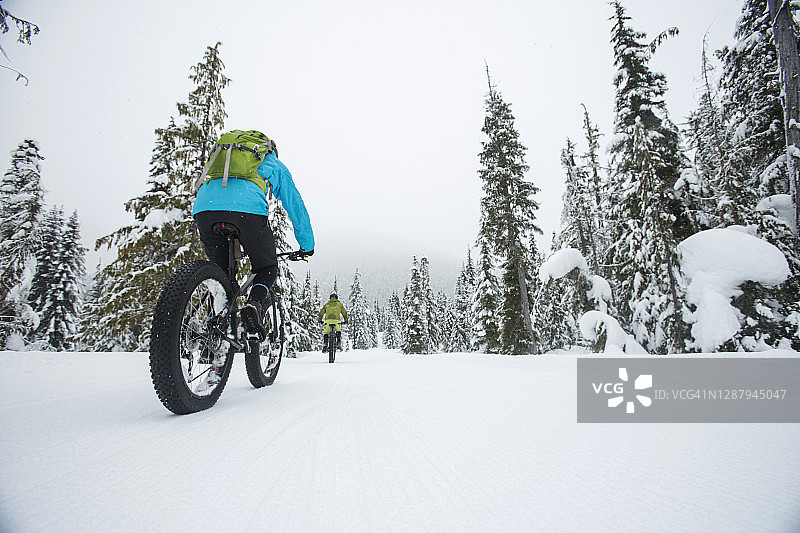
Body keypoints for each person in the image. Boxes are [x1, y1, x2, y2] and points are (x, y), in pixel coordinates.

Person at [193, 138, 314, 339]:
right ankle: (253, 305)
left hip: (205, 208)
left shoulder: (224, 155)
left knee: (220, 274)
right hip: (247, 212)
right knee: (267, 267)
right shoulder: (271, 161)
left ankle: (215, 327)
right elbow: (295, 205)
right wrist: (306, 245)